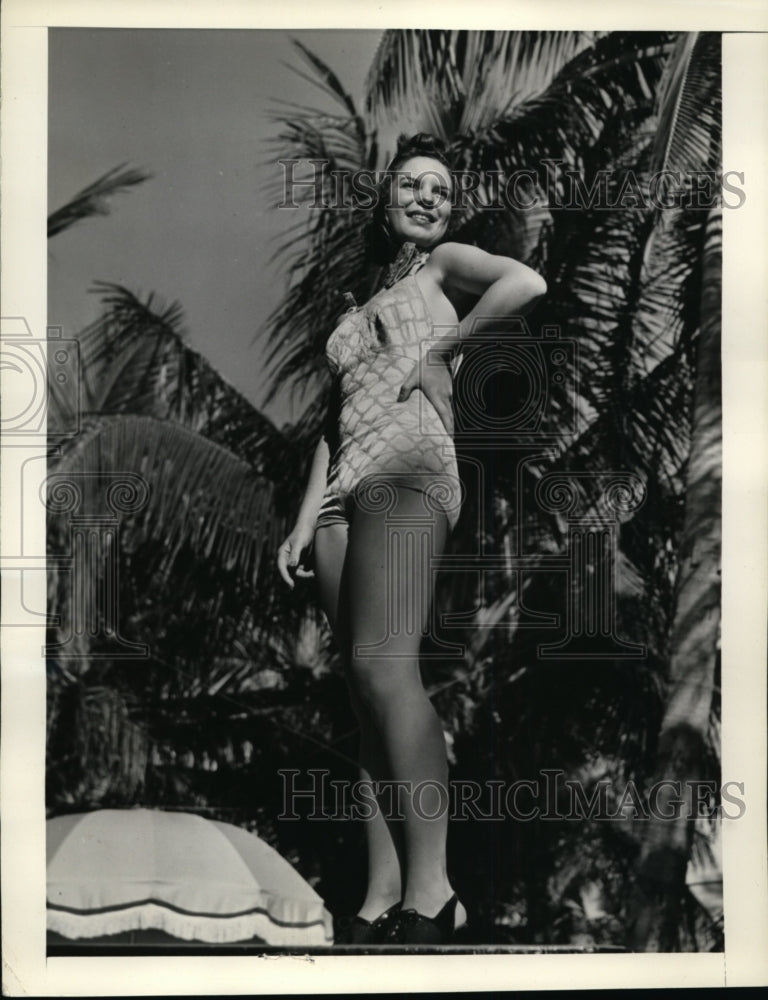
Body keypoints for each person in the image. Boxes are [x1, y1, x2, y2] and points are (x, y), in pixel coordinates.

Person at [277, 133, 547, 945]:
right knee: (362, 698)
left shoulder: (442, 268)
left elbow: (525, 281)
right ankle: (379, 896)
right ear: (385, 196)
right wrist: (305, 517)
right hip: (341, 491)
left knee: (385, 668)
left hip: (408, 467)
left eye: (440, 189)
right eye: (412, 185)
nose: (427, 197)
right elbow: (333, 420)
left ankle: (436, 890)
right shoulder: (358, 301)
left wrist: (444, 348)